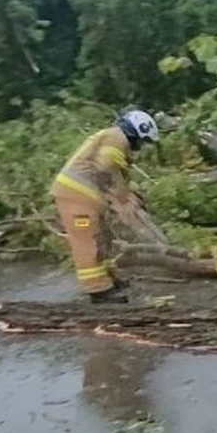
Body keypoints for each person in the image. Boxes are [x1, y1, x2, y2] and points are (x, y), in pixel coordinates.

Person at [50, 109, 159, 304]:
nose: (139, 147)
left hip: (85, 197)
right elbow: (107, 168)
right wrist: (123, 200)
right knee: (88, 242)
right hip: (75, 195)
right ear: (136, 132)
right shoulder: (118, 138)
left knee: (102, 239)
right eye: (141, 141)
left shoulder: (114, 138)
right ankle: (98, 290)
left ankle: (110, 279)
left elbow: (111, 176)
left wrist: (128, 196)